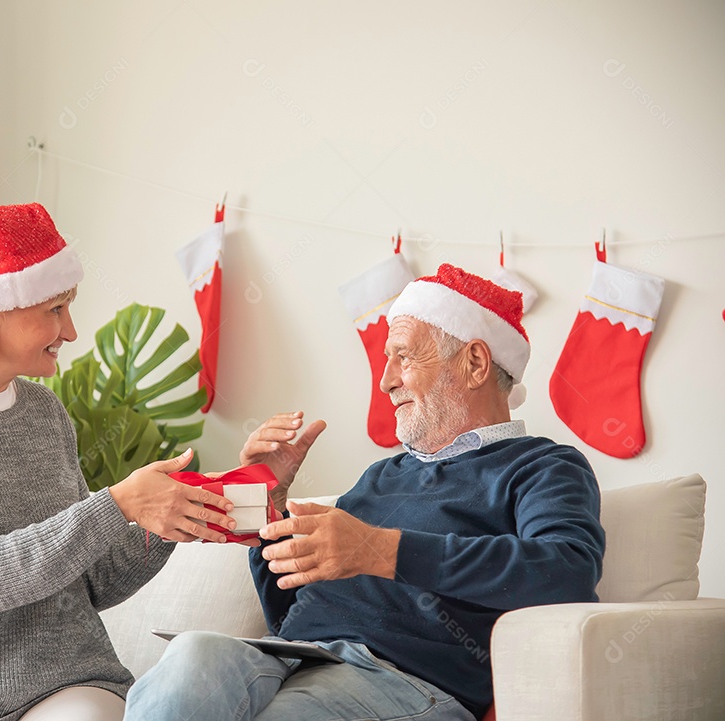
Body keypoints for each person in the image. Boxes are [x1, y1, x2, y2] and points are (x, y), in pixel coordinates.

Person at [124, 264, 606, 721]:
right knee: (191, 655)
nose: (386, 380)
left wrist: (383, 550)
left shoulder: (543, 466)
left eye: (403, 356)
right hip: (293, 656)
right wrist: (264, 502)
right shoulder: (382, 474)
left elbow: (566, 570)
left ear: (476, 362)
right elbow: (288, 612)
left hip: (409, 682)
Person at [0, 203, 243, 721]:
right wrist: (117, 504)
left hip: (65, 686)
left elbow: (92, 579)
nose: (72, 331)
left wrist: (171, 513)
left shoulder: (44, 412)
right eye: (54, 310)